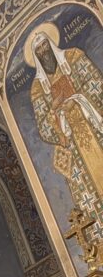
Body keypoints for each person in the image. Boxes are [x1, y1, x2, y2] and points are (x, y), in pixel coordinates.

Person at [27, 24, 103, 200]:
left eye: (45, 45)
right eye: (39, 50)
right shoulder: (37, 88)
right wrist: (54, 109)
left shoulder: (73, 56)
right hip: (73, 142)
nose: (44, 51)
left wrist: (76, 99)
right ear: (36, 56)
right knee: (89, 187)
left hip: (93, 123)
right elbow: (43, 126)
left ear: (51, 43)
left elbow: (96, 82)